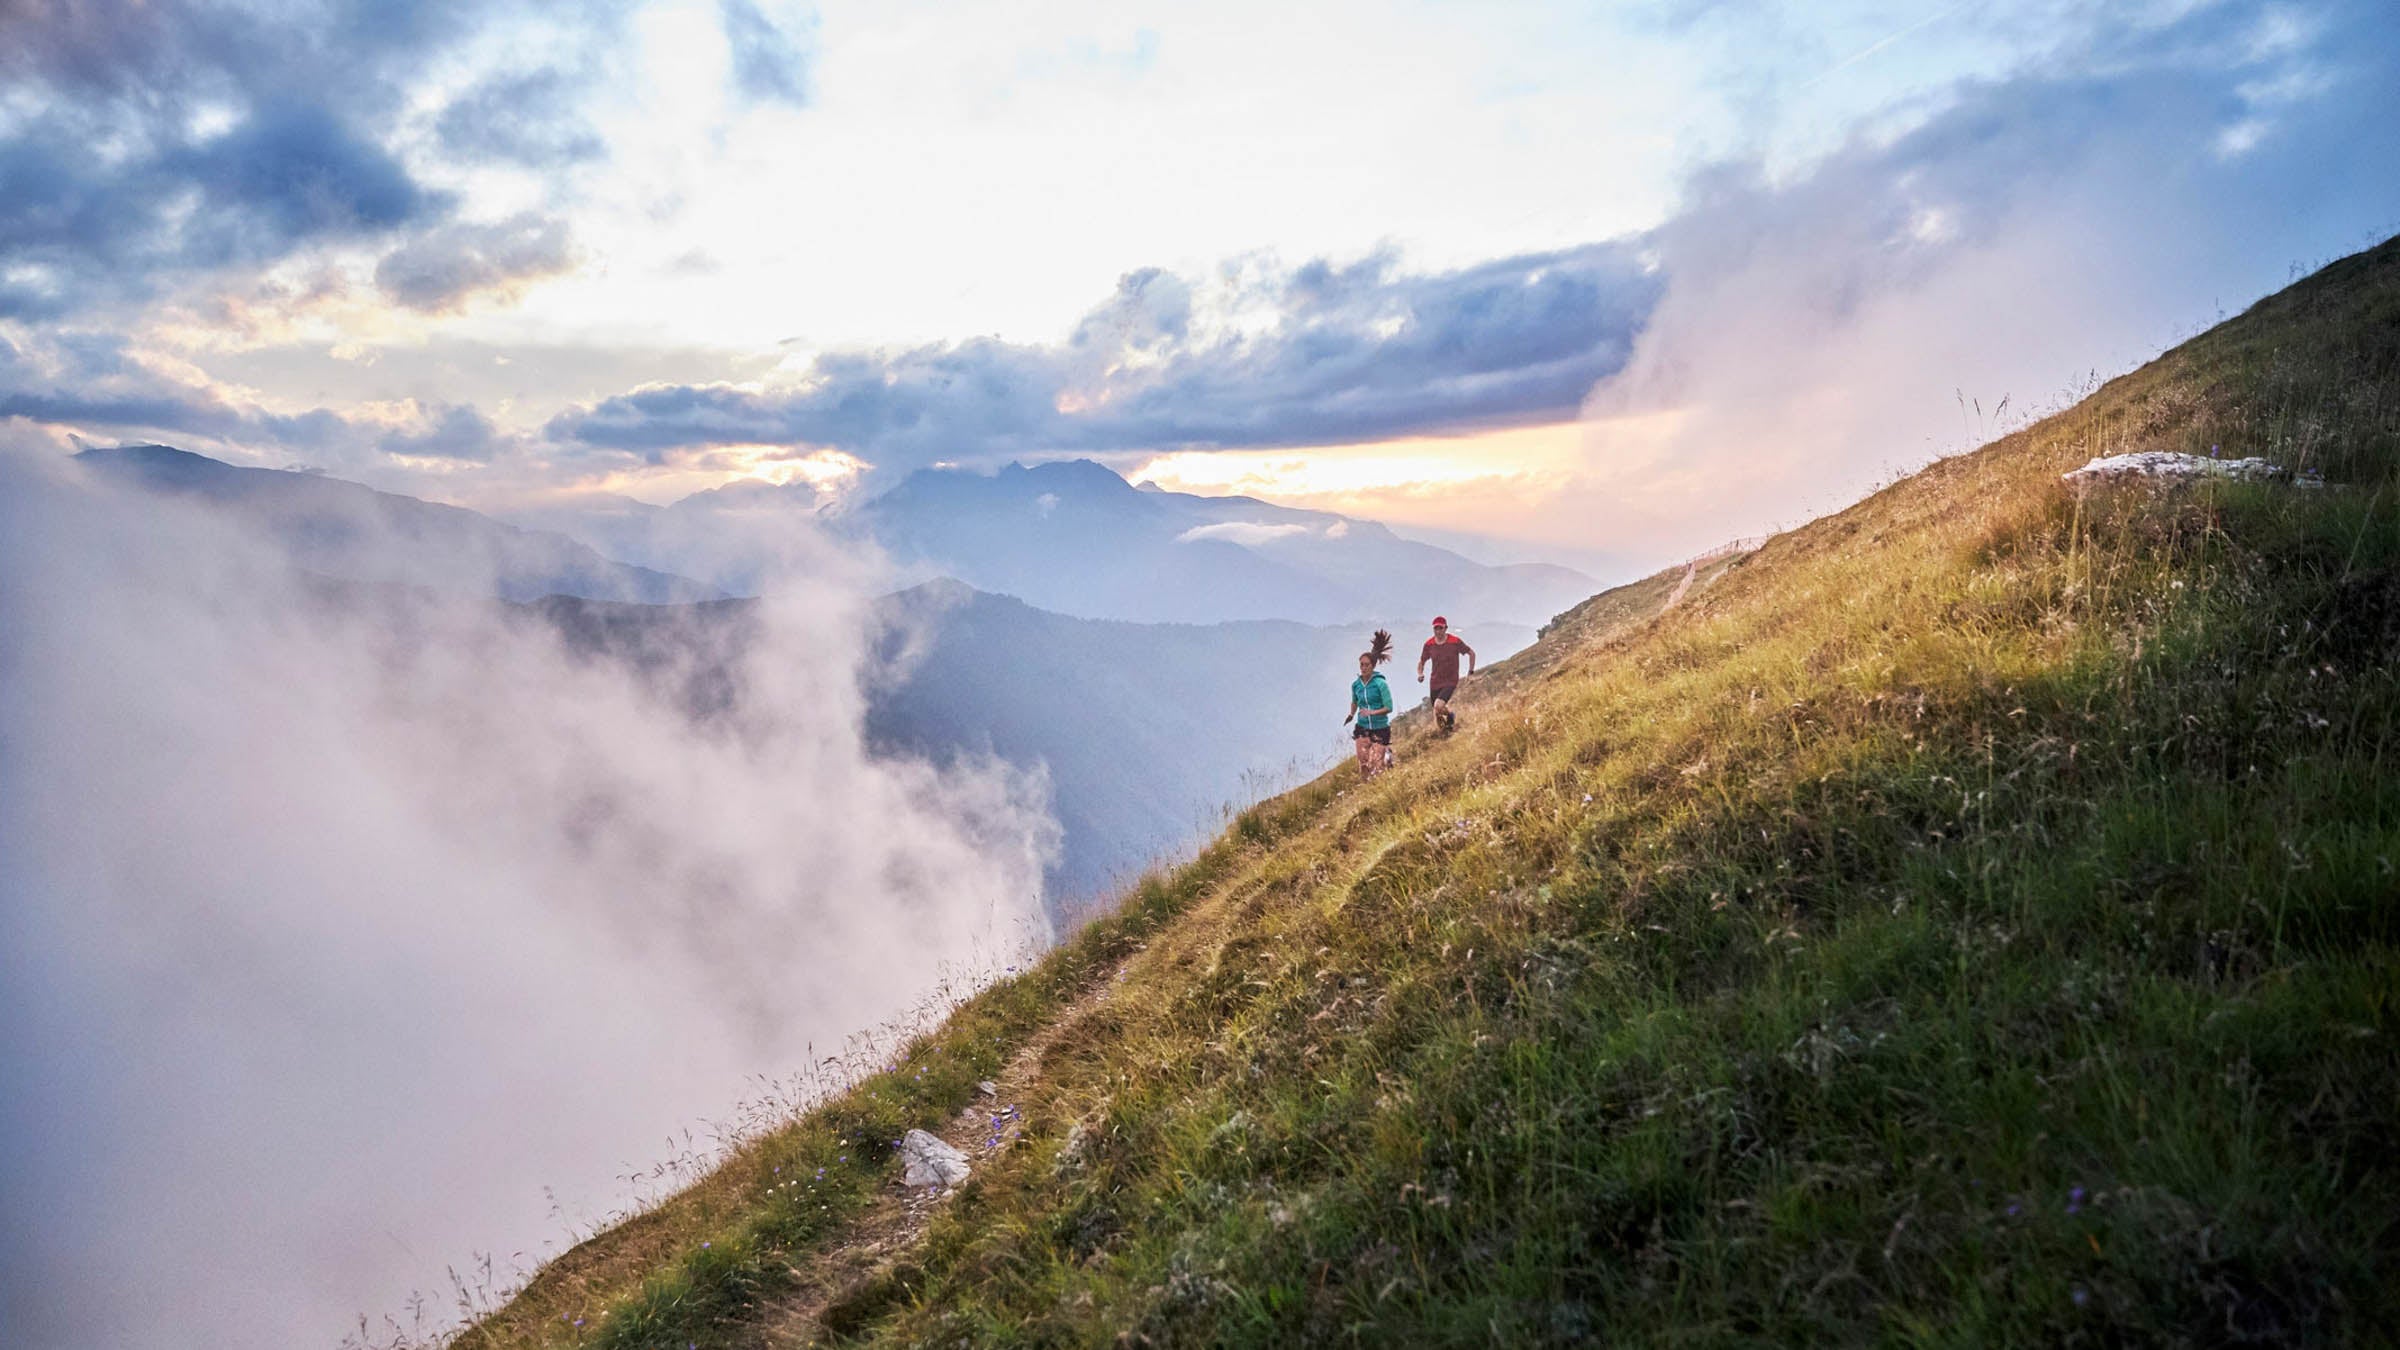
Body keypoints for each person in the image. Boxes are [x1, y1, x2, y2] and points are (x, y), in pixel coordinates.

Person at [1346, 629, 1396, 779]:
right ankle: (1366, 791)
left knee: (1376, 765)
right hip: (1362, 728)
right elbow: (1355, 702)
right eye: (1361, 664)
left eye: (1366, 665)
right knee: (1363, 764)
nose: (1363, 667)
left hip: (1380, 728)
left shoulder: (1381, 684)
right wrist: (1351, 714)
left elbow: (1389, 707)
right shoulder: (1356, 685)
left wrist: (1372, 713)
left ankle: (1387, 757)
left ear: (1373, 666)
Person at [1416, 615, 1476, 733]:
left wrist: (1471, 672)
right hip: (1435, 682)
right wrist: (1420, 673)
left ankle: (1450, 720)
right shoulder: (1429, 644)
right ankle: (1446, 731)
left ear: (1446, 628)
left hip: (1450, 680)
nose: (1438, 631)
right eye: (1436, 628)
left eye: (1440, 628)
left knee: (1438, 706)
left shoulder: (1455, 641)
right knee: (1437, 713)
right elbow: (1421, 661)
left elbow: (1471, 653)